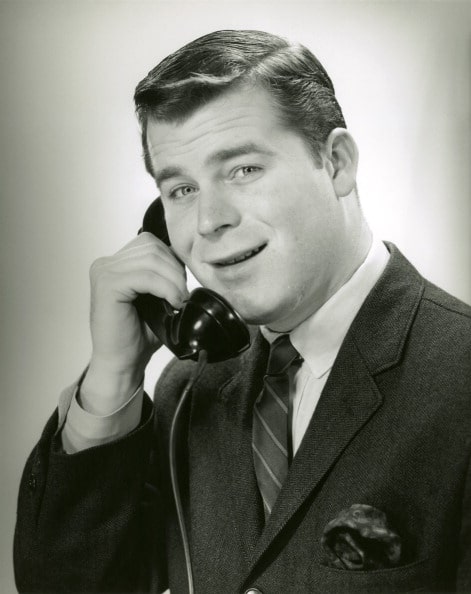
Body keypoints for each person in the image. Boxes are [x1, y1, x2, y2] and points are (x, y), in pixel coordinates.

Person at [14, 29, 471, 593]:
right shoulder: (188, 391)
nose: (209, 221)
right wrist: (114, 377)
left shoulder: (460, 376)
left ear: (336, 163)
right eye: (180, 190)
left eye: (243, 170)